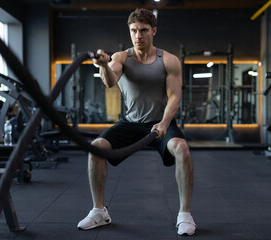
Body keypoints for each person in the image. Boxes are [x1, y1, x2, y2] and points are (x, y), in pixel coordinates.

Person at [77, 8, 196, 236]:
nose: (138, 35)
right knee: (96, 149)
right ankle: (99, 211)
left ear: (154, 31)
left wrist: (163, 123)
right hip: (131, 123)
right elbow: (111, 82)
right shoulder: (121, 57)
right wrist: (103, 65)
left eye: (143, 30)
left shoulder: (169, 60)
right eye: (133, 31)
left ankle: (185, 214)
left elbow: (174, 97)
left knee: (182, 148)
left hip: (161, 124)